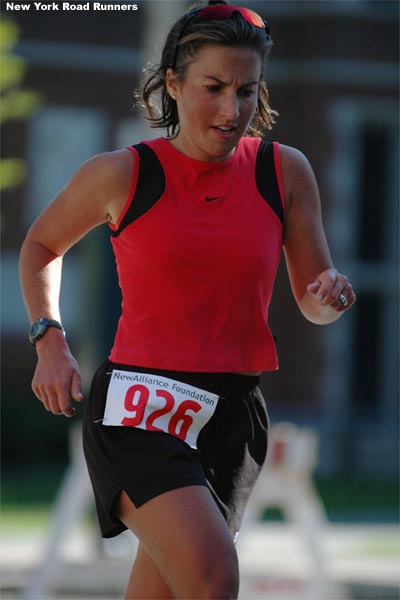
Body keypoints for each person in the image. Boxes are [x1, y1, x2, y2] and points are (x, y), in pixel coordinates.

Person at [19, 1, 356, 598]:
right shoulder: (123, 173)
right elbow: (42, 244)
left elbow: (312, 299)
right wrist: (50, 340)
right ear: (172, 83)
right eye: (214, 87)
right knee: (212, 577)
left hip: (234, 412)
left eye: (248, 90)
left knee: (170, 592)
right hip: (140, 407)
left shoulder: (285, 172)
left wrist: (329, 297)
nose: (233, 109)